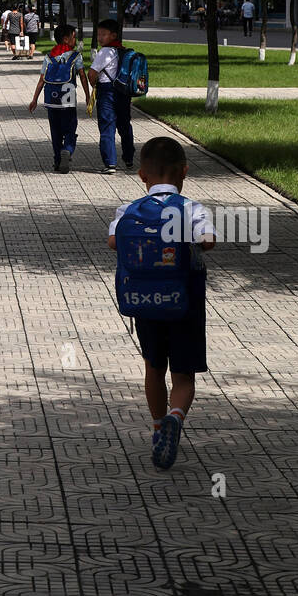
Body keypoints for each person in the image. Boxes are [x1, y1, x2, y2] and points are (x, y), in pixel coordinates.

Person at [108, 137, 215, 471]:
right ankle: (175, 417)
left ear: (142, 175)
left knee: (154, 368)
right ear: (185, 171)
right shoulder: (194, 209)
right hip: (185, 302)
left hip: (144, 302)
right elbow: (208, 241)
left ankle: (157, 428)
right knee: (183, 377)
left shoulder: (128, 211)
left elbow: (113, 241)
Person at [28, 24, 90, 173]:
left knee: (55, 131)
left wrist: (34, 99)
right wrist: (88, 96)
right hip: (68, 100)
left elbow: (41, 80)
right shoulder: (76, 56)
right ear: (66, 39)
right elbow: (82, 76)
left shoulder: (49, 57)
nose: (75, 40)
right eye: (74, 37)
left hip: (51, 100)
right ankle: (67, 149)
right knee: (70, 127)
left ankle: (57, 161)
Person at [88, 18, 134, 174]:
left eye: (103, 34)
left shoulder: (105, 52)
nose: (100, 38)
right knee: (124, 125)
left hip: (107, 91)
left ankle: (110, 163)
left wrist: (94, 84)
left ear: (113, 35)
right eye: (99, 34)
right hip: (123, 92)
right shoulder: (123, 51)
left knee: (107, 125)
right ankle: (129, 157)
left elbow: (92, 73)